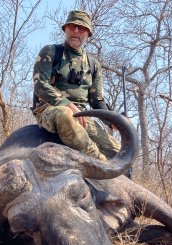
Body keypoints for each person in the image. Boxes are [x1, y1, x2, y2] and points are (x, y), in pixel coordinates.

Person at [32, 10, 120, 161]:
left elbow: (96, 101)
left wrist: (113, 120)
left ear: (88, 34)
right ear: (65, 29)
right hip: (50, 110)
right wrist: (66, 104)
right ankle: (100, 162)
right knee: (65, 114)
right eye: (72, 26)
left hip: (81, 116)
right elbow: (40, 85)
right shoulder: (51, 52)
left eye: (82, 28)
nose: (76, 31)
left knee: (118, 151)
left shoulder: (93, 64)